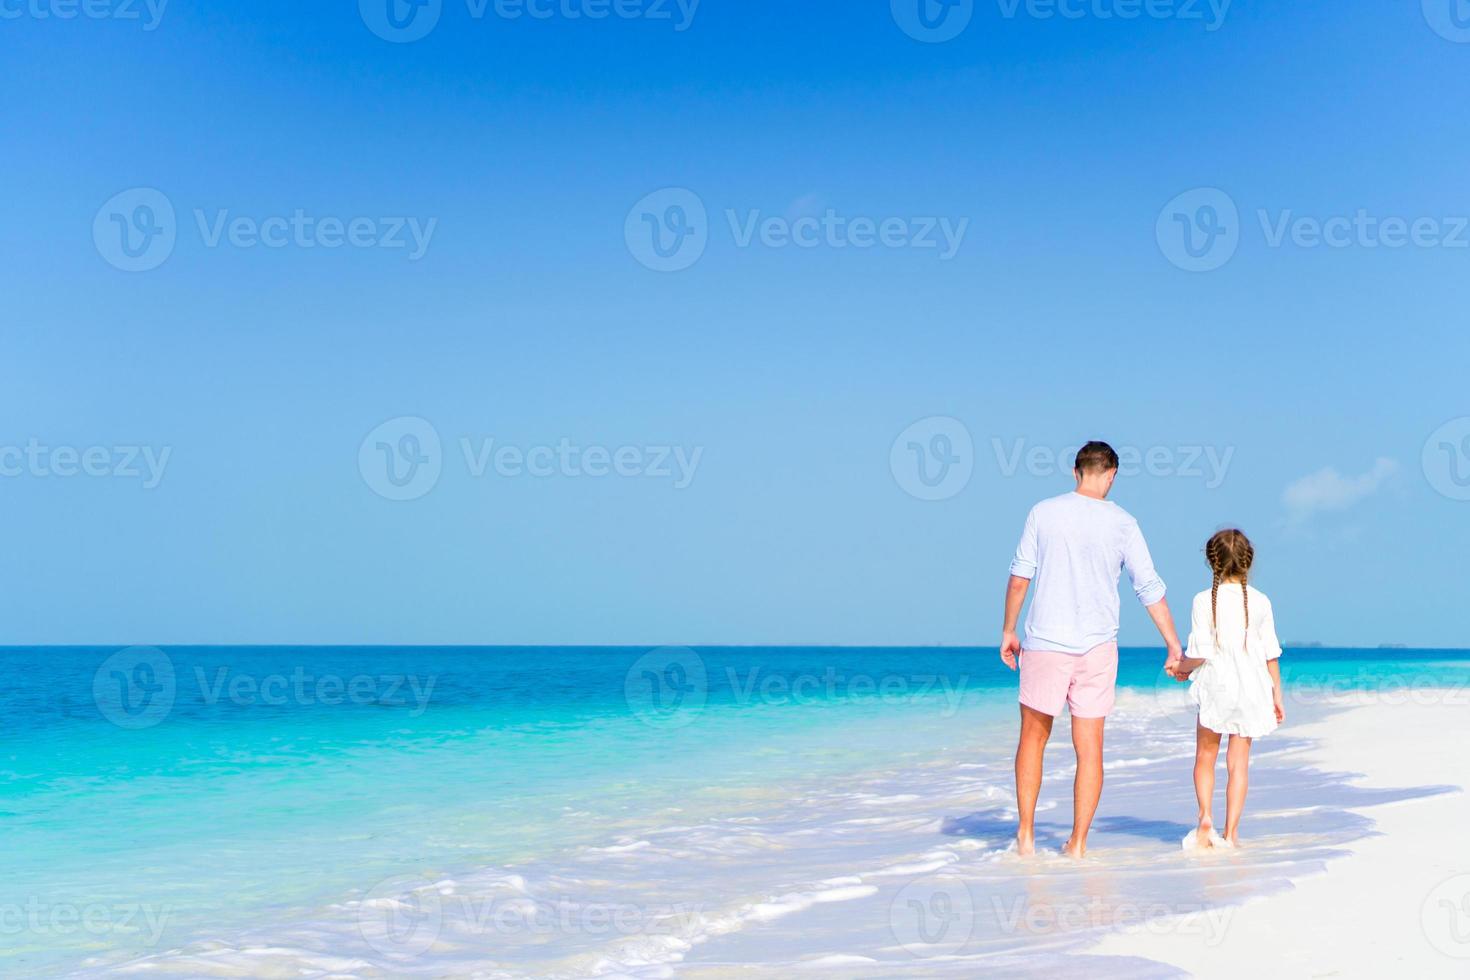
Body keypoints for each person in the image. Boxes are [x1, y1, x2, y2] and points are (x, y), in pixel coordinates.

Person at [1001, 441, 1183, 858]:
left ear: (1075, 471)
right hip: (1098, 646)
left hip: (1046, 640)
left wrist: (1009, 629)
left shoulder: (1043, 512)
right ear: (1112, 474)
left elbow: (1019, 576)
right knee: (1090, 747)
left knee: (1033, 737)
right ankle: (1078, 843)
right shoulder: (1123, 522)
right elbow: (1148, 586)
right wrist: (1173, 644)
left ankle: (1027, 838)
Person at [1167, 529, 1285, 848]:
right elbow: (1270, 653)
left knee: (1206, 755)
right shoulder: (1260, 601)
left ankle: (1206, 816)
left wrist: (1180, 668)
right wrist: (1277, 695)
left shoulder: (1203, 600)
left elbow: (1201, 651)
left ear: (1211, 561)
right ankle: (1231, 834)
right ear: (1248, 560)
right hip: (1251, 687)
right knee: (1239, 763)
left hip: (1217, 686)